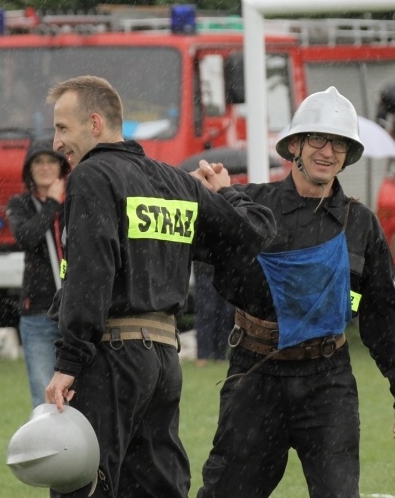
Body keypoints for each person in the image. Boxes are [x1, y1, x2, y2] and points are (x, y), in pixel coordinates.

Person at [43, 75, 276, 498]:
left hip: (111, 358)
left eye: (62, 128)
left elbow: (89, 275)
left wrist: (70, 360)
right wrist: (229, 194)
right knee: (158, 488)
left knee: (81, 485)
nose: (56, 143)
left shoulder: (92, 176)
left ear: (94, 124)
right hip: (164, 363)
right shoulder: (175, 183)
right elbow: (253, 233)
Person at [192, 87, 395, 498]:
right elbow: (187, 238)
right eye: (318, 138)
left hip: (327, 383)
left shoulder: (360, 224)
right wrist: (203, 197)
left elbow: (386, 312)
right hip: (255, 375)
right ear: (295, 145)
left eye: (339, 143)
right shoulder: (247, 204)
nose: (327, 151)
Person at [6, 137, 70, 407]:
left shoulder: (77, 200)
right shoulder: (20, 204)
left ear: (61, 168)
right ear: (29, 170)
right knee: (44, 396)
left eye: (51, 162)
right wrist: (51, 205)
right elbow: (26, 237)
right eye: (38, 162)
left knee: (81, 394)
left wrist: (61, 202)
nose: (45, 168)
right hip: (39, 314)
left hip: (75, 313)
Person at [192, 260, 235, 366]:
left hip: (227, 269)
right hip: (204, 268)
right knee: (206, 312)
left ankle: (220, 355)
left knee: (226, 314)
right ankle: (202, 356)